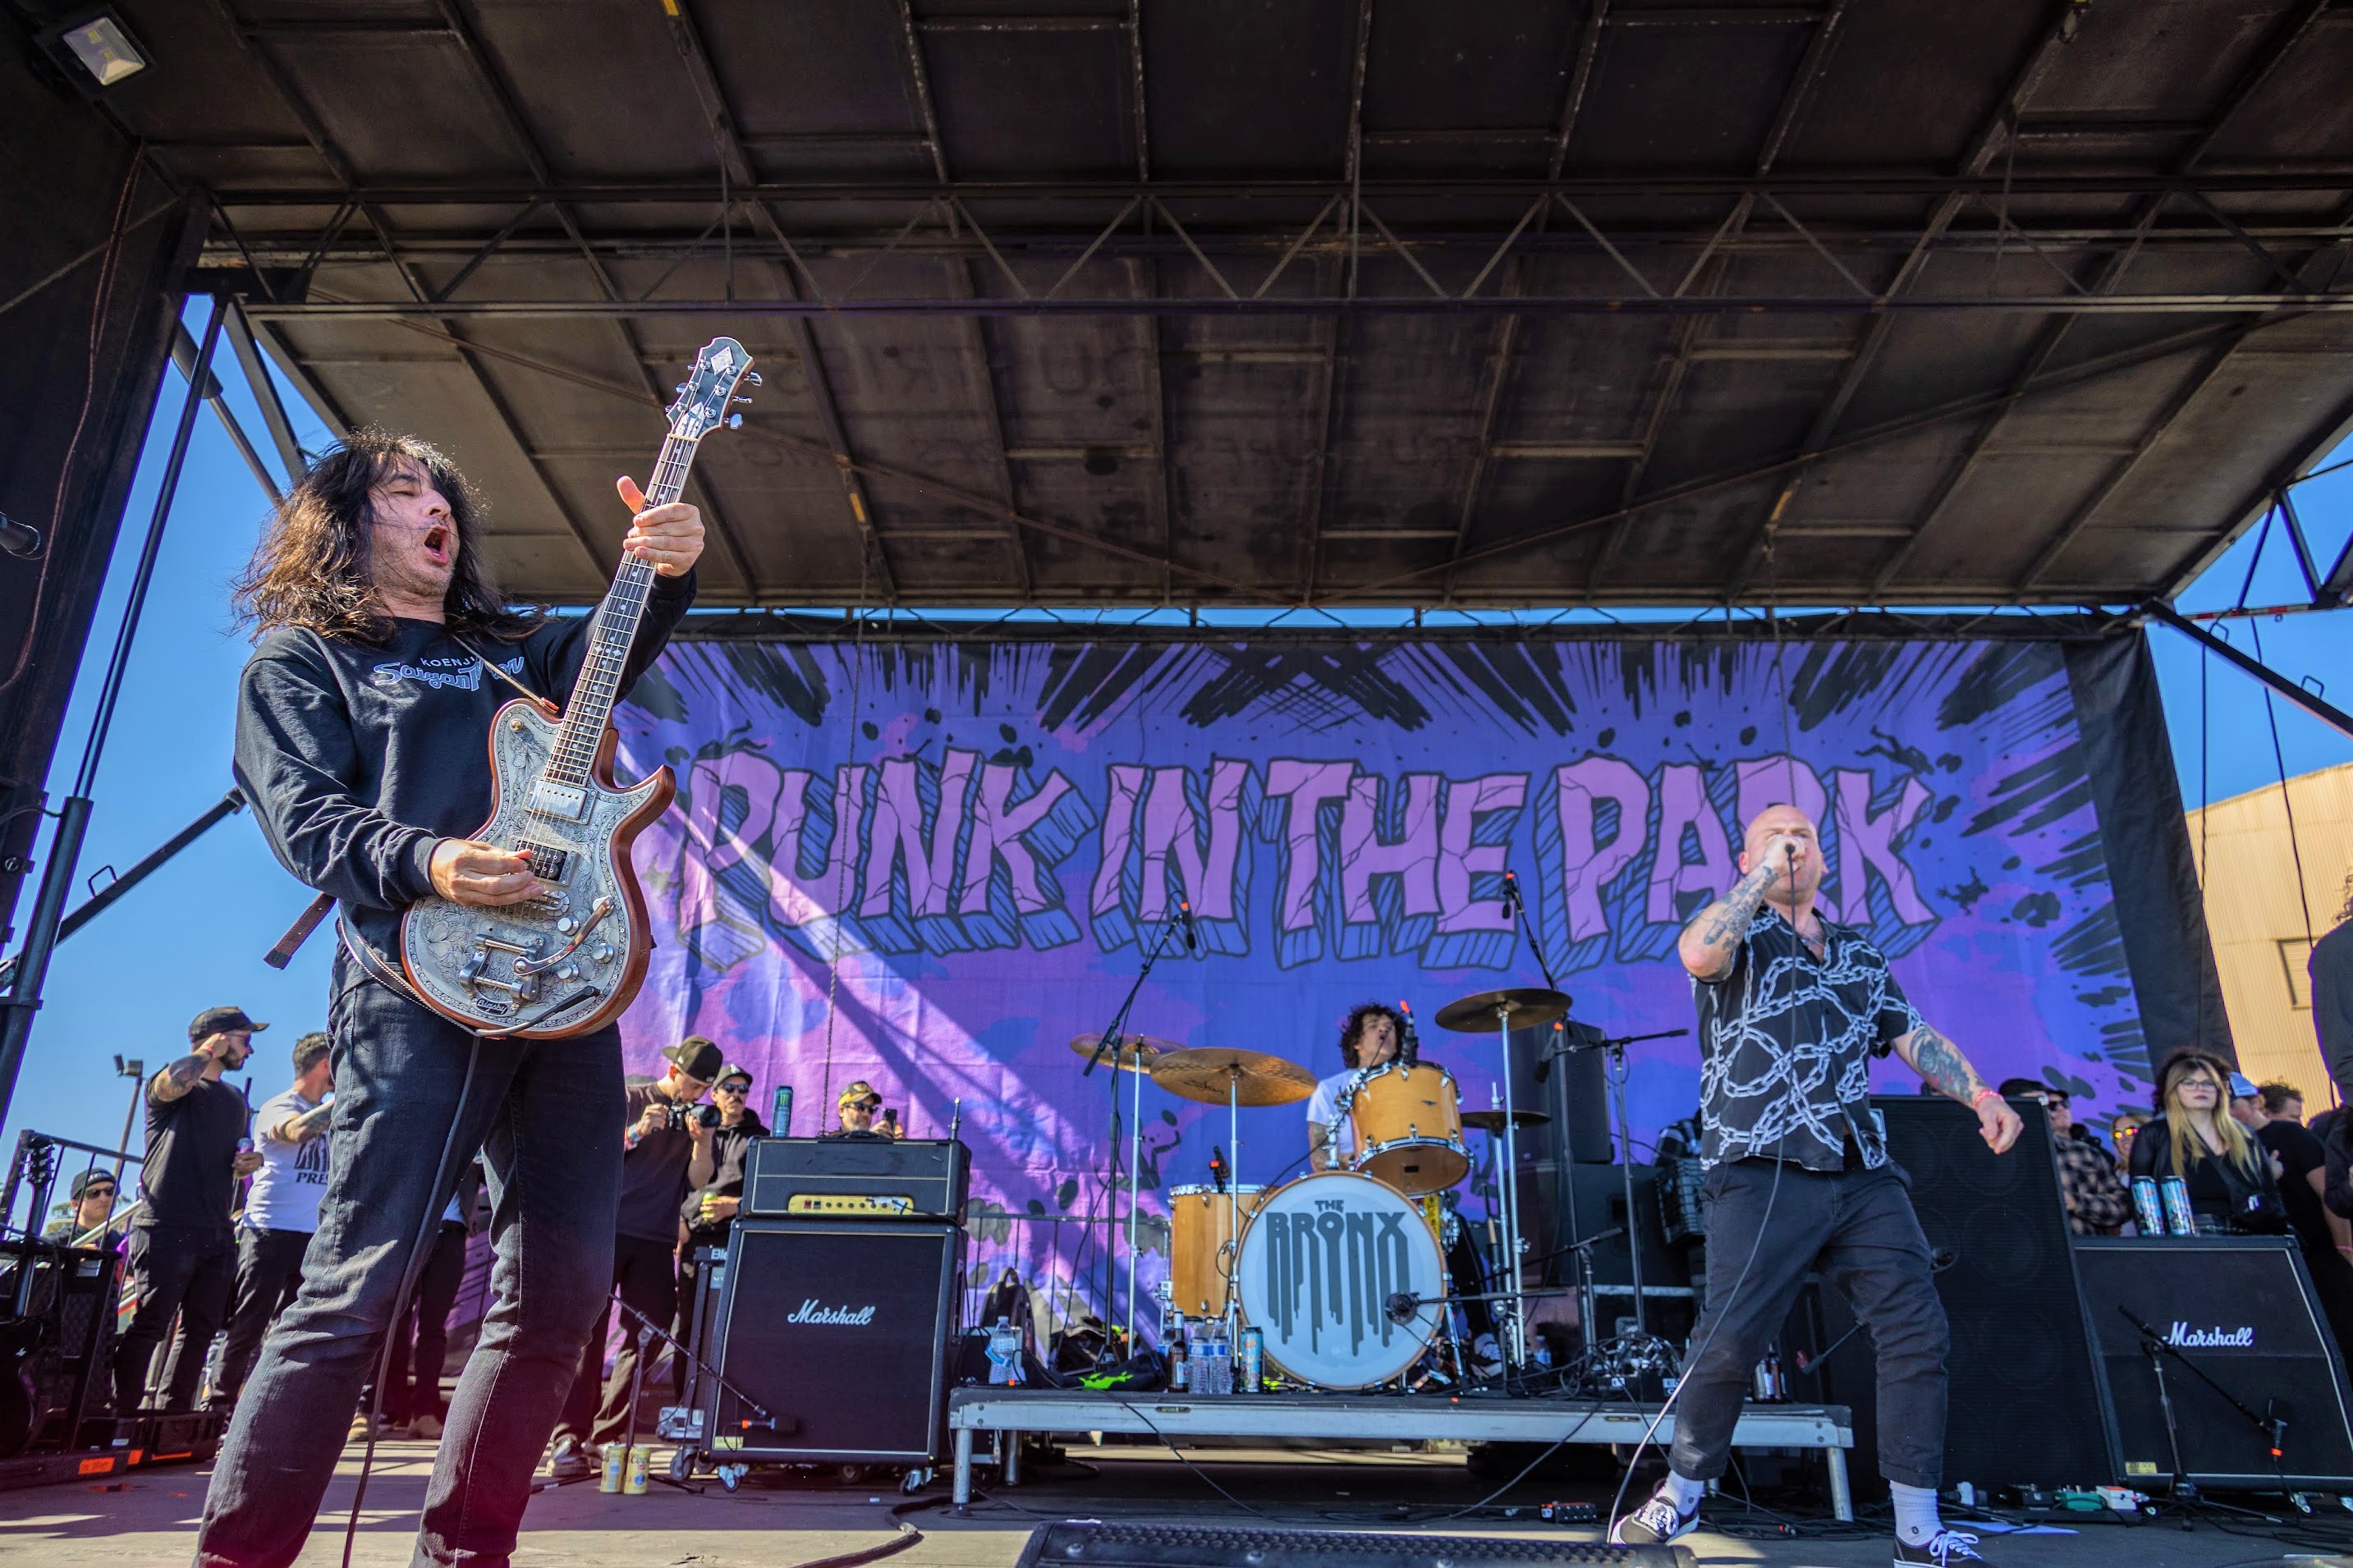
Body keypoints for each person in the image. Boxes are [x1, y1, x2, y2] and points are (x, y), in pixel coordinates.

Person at [197, 432, 702, 1567]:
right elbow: (304, 818)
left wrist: (668, 567)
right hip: (414, 986)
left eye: (442, 488)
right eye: (401, 487)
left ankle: (465, 1554)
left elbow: (613, 652)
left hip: (569, 990)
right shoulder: (305, 657)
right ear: (342, 522)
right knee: (353, 1286)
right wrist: (430, 861)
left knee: (564, 1295)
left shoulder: (513, 646)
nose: (435, 504)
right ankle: (240, 1557)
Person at [1612, 805, 2020, 1566]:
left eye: (1802, 837)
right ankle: (1683, 1491)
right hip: (1761, 1162)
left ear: (1827, 863)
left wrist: (1984, 1096)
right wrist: (1765, 874)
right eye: (1772, 836)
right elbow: (1698, 955)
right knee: (1729, 1343)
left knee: (1916, 1332)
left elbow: (1913, 1035)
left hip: (1860, 1168)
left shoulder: (1860, 952)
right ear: (1746, 859)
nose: (1791, 844)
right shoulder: (1739, 931)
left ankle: (1916, 1529)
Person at [548, 1035, 721, 1478]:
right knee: (586, 1330)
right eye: (693, 1085)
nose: (696, 1095)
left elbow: (701, 1182)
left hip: (654, 1237)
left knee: (649, 1330)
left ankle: (610, 1435)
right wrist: (638, 1130)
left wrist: (701, 1142)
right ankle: (569, 1435)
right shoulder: (634, 1097)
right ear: (673, 1073)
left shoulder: (695, 1119)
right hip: (603, 1229)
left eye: (704, 1088)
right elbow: (590, 1152)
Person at [1305, 1004, 1502, 1378]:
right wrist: (1361, 1160)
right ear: (1356, 1043)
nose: (1385, 1031)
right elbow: (1319, 1162)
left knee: (1453, 1225)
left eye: (1390, 1027)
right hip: (1356, 1199)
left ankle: (1483, 1336)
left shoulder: (1410, 1083)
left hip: (1409, 1192)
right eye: (1375, 1026)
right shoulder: (1329, 1089)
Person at [112, 1006, 267, 1414]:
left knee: (201, 1329)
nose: (249, 1050)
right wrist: (205, 1053)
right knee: (151, 1322)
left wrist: (247, 1162)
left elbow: (239, 1149)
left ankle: (174, 1414)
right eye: (243, 1039)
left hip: (215, 1229)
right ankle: (120, 1413)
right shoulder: (174, 1081)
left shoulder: (235, 1099)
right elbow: (170, 1085)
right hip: (165, 1223)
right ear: (216, 1038)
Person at [214, 1031, 335, 1409]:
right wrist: (349, 1094)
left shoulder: (334, 1110)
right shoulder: (278, 1105)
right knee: (249, 1322)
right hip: (269, 1230)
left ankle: (269, 1403)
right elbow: (297, 1131)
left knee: (293, 1326)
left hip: (312, 1236)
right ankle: (219, 1403)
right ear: (325, 1064)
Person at [2227, 1075, 2353, 1355]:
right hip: (2275, 1262)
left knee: (2343, 1331)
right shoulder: (2230, 1147)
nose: (2225, 1113)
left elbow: (2329, 1195)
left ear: (2255, 1103)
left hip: (2320, 1254)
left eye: (2231, 1104)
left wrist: (2344, 1247)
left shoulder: (2291, 1135)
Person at [373, 1162, 486, 1440]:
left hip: (451, 1233)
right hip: (408, 1229)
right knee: (395, 1322)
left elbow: (489, 1163)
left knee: (434, 1330)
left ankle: (424, 1413)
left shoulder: (472, 1125)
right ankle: (382, 1408)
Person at [676, 1064, 767, 1395]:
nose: (737, 1096)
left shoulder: (761, 1139)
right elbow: (671, 1180)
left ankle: (724, 1408)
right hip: (695, 1238)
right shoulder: (693, 1128)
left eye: (743, 1090)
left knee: (733, 1325)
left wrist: (735, 1206)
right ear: (714, 1094)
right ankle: (684, 1407)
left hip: (737, 1240)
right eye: (729, 1089)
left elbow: (771, 1195)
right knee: (689, 1324)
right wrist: (680, 1221)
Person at [2129, 1051, 2286, 1234]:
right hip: (2189, 1243)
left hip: (2247, 1239)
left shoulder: (2243, 1134)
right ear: (2173, 1090)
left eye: (2208, 1083)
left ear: (2220, 1089)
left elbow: (2270, 1192)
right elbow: (2139, 1199)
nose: (2200, 1089)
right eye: (2189, 1083)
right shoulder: (2155, 1134)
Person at [1997, 1078, 2128, 1236]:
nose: (2045, 1113)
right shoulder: (1994, 1157)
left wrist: (2075, 1202)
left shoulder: (2084, 1152)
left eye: (2045, 1106)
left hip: (2085, 1252)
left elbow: (2123, 1205)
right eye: (2032, 1106)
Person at [44, 1170, 121, 1244]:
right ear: (75, 1205)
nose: (103, 1198)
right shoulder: (56, 1243)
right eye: (93, 1193)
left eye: (110, 1191)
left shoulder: (124, 1242)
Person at [832, 1080, 901, 1137]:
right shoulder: (828, 1144)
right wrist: (870, 1136)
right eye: (860, 1107)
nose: (866, 1114)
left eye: (871, 1109)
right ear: (841, 1111)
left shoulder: (878, 1142)